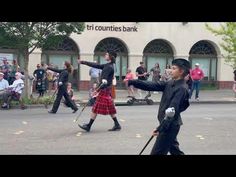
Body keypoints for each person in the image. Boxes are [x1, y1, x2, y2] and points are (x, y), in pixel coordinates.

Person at [128, 58, 191, 155]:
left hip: (169, 126)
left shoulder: (182, 89)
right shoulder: (170, 83)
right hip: (167, 124)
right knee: (175, 151)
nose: (171, 70)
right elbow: (153, 85)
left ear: (181, 71)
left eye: (174, 68)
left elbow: (171, 112)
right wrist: (134, 82)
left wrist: (160, 128)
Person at [77, 50, 121, 132]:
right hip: (106, 90)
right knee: (108, 108)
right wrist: (83, 62)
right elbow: (96, 65)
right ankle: (117, 124)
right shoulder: (108, 65)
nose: (105, 55)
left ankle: (89, 126)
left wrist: (96, 90)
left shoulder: (108, 67)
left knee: (96, 107)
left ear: (110, 56)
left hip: (104, 90)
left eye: (107, 54)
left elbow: (104, 82)